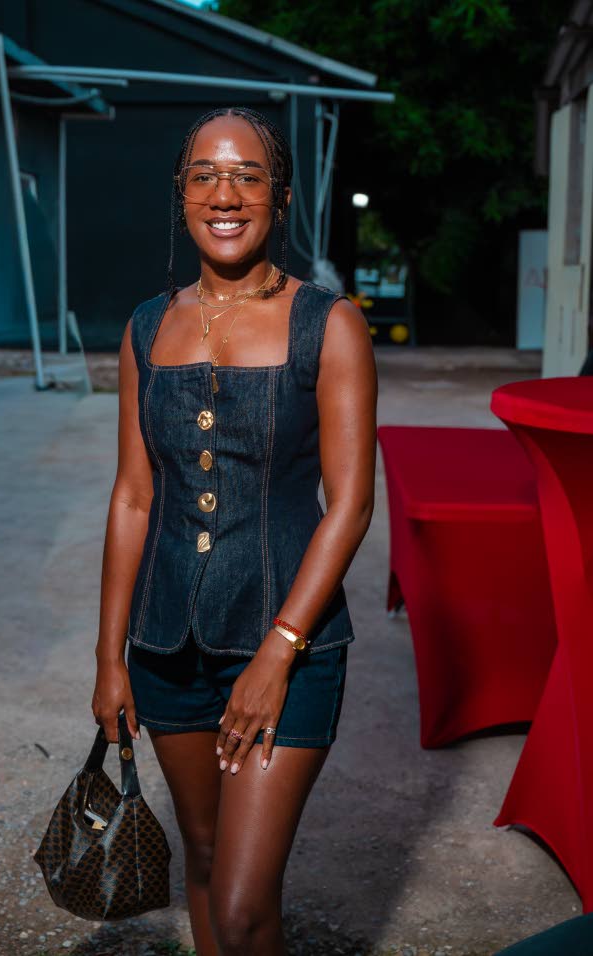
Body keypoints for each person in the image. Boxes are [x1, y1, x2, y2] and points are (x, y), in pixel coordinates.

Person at [91, 106, 377, 955]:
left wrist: (276, 652)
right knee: (206, 859)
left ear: (279, 198)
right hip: (164, 646)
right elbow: (133, 497)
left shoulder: (329, 324)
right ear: (181, 194)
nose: (225, 194)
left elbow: (350, 503)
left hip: (286, 646)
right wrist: (110, 658)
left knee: (247, 904)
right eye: (205, 176)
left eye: (248, 176)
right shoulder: (146, 326)